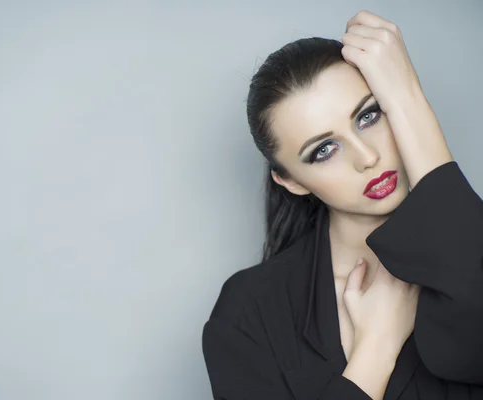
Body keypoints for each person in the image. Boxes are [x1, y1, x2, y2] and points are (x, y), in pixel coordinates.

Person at [201, 10, 483, 400]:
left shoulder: (470, 246)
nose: (367, 157)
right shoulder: (250, 312)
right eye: (324, 150)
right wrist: (376, 350)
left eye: (370, 115)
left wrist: (407, 96)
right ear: (291, 180)